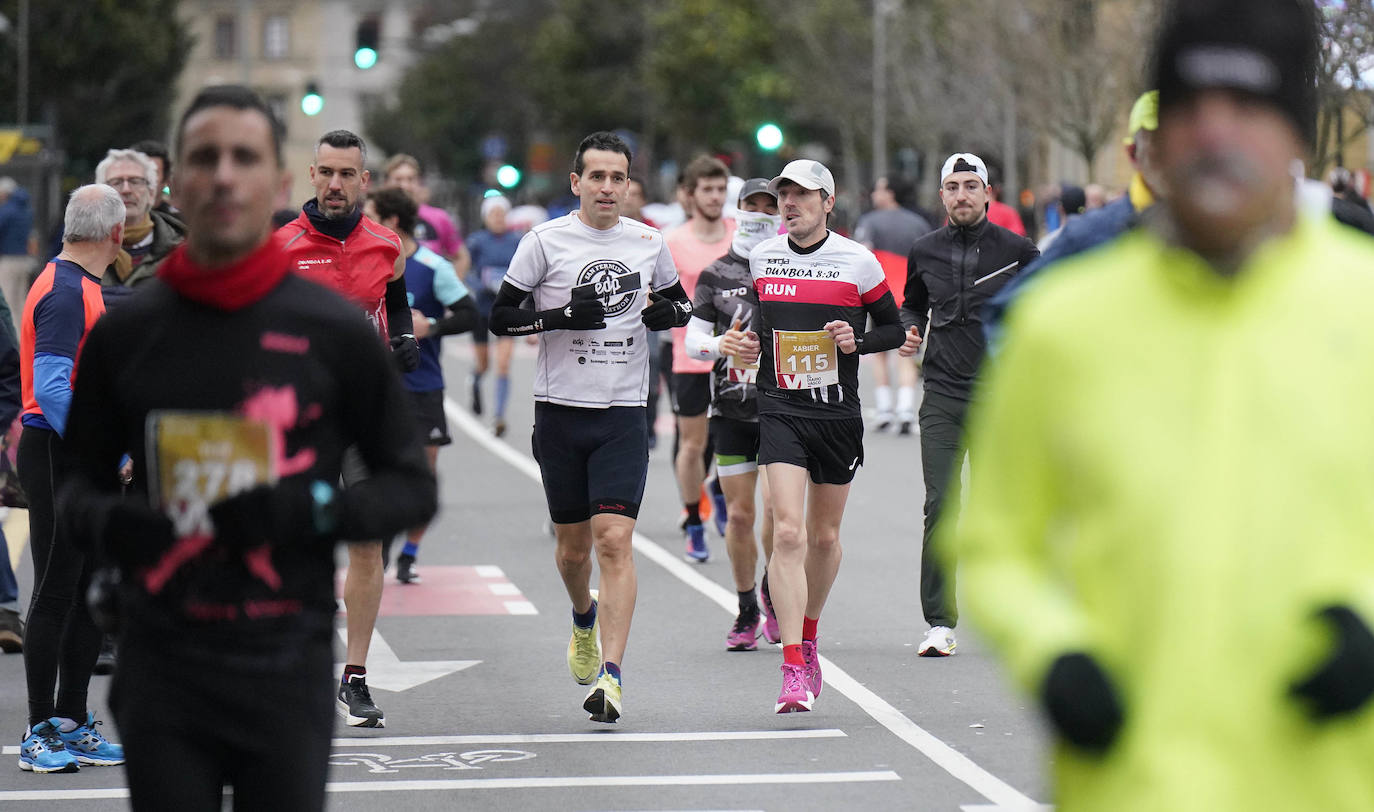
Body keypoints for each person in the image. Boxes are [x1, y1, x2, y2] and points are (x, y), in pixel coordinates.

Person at [955, 2, 1374, 808]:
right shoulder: (1062, 324)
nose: (1214, 134)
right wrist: (1053, 655)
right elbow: (995, 544)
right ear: (1151, 145)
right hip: (1131, 781)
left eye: (1248, 106)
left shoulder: (1364, 306)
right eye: (1188, 108)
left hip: (1329, 782)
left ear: (1297, 135)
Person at [58, 85, 435, 810]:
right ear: (176, 183)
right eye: (206, 158)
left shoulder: (333, 331)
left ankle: (352, 673)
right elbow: (72, 486)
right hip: (164, 662)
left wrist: (308, 510)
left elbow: (410, 486)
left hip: (284, 662)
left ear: (276, 182)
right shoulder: (129, 332)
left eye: (245, 157)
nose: (225, 176)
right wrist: (129, 526)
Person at [489, 131, 692, 723]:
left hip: (624, 413)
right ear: (576, 182)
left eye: (617, 178)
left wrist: (669, 312)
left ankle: (612, 675)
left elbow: (681, 304)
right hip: (559, 411)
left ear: (629, 186)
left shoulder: (648, 242)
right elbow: (500, 318)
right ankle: (583, 616)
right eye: (596, 177)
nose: (607, 187)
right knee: (573, 550)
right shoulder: (543, 241)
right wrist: (556, 317)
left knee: (614, 540)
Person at [747, 159, 906, 712]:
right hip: (780, 407)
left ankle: (809, 633)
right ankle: (793, 667)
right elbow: (760, 326)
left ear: (828, 202)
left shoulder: (858, 262)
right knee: (787, 533)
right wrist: (746, 344)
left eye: (803, 195)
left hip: (836, 414)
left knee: (823, 538)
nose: (790, 204)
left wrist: (855, 341)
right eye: (784, 195)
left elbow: (895, 329)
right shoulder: (763, 256)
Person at [280, 129, 419, 729]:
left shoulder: (387, 245)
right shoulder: (280, 246)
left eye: (347, 174)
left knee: (367, 541)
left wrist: (405, 339)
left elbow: (397, 304)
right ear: (312, 174)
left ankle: (354, 677)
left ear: (365, 181)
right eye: (326, 172)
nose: (335, 184)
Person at [899, 152, 1039, 658]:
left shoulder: (1018, 251)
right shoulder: (924, 250)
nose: (962, 194)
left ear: (987, 193)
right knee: (941, 504)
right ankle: (939, 622)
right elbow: (912, 304)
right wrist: (910, 329)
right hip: (942, 393)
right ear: (942, 196)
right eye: (953, 187)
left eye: (970, 185)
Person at [16, 183, 125, 773]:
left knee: (86, 592)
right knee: (55, 593)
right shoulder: (64, 290)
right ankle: (38, 731)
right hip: (57, 451)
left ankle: (71, 721)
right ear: (116, 234)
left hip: (71, 450)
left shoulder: (79, 283)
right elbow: (52, 386)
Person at [684, 178, 782, 649]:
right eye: (752, 205)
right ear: (737, 209)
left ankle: (773, 593)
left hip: (783, 411)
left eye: (770, 206)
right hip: (730, 410)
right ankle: (746, 608)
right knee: (741, 515)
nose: (761, 213)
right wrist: (721, 344)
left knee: (777, 513)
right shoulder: (715, 274)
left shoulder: (790, 268)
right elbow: (692, 341)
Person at [985, 90, 1162, 350]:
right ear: (1133, 153)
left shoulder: (1221, 241)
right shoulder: (1090, 234)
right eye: (1160, 147)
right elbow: (1005, 317)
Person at [365, 187, 477, 583]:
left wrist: (432, 327)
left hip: (423, 384)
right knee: (378, 475)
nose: (364, 220)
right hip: (377, 389)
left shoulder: (432, 265)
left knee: (420, 477)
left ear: (392, 221)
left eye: (371, 214)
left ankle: (409, 552)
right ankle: (378, 550)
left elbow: (469, 314)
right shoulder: (366, 258)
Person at [666, 156, 736, 562]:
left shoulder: (740, 235)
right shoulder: (672, 242)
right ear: (690, 195)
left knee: (735, 439)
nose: (715, 197)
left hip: (737, 358)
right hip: (689, 358)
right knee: (693, 445)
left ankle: (720, 489)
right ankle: (695, 521)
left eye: (720, 189)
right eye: (707, 189)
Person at [853, 176, 932, 434]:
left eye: (879, 189)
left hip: (880, 295)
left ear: (890, 193)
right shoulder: (918, 223)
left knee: (880, 352)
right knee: (907, 351)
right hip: (910, 297)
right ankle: (906, 409)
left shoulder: (869, 221)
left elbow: (862, 254)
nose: (874, 193)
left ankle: (885, 409)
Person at [464, 194, 523, 437]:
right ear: (485, 217)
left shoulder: (517, 241)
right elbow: (465, 271)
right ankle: (475, 380)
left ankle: (499, 416)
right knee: (484, 364)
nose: (498, 218)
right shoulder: (476, 241)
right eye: (493, 214)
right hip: (482, 309)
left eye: (502, 213)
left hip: (507, 309)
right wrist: (482, 285)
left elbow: (526, 271)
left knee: (504, 363)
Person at [95, 148, 187, 291]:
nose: (126, 190)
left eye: (135, 181)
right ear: (101, 194)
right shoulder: (82, 249)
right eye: (116, 182)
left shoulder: (182, 248)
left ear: (151, 193)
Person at [382, 153, 470, 272]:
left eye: (410, 179)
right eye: (398, 179)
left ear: (419, 182)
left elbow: (462, 257)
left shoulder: (439, 218)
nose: (405, 185)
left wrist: (450, 283)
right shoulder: (376, 218)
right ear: (386, 183)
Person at [0, 177, 34, 321]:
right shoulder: (25, 209)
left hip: (9, 260)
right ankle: (22, 332)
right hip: (24, 259)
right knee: (20, 300)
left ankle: (10, 333)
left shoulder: (6, 211)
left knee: (7, 300)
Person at [128, 139, 178, 215]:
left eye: (153, 173)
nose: (145, 179)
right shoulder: (112, 217)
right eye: (138, 171)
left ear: (166, 180)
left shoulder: (179, 220)